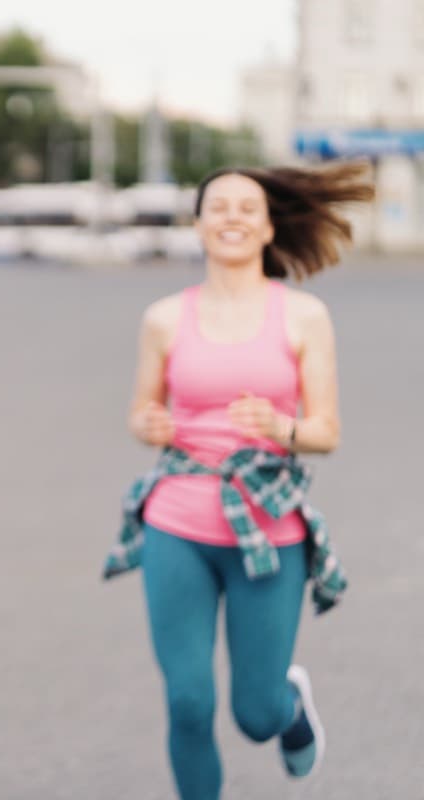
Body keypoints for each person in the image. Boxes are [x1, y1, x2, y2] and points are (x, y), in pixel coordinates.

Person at [103, 162, 373, 799]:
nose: (231, 217)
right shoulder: (165, 318)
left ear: (268, 227)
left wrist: (281, 426)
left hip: (269, 528)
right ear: (198, 226)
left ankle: (289, 705)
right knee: (190, 702)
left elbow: (326, 431)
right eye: (217, 206)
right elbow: (141, 414)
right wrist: (152, 425)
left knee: (255, 714)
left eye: (246, 208)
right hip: (178, 521)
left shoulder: (303, 315)